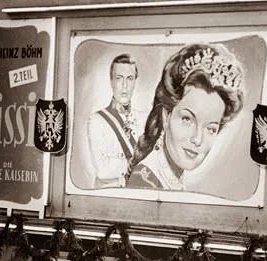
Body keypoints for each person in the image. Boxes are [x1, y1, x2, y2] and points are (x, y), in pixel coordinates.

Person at [127, 43, 244, 190]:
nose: (197, 139)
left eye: (211, 128)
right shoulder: (144, 181)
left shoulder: (170, 177)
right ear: (166, 115)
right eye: (187, 119)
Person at [87, 53, 146, 186]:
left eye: (130, 78)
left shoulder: (144, 119)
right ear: (111, 82)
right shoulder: (97, 120)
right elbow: (102, 170)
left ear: (135, 82)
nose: (124, 85)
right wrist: (139, 164)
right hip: (110, 194)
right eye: (119, 78)